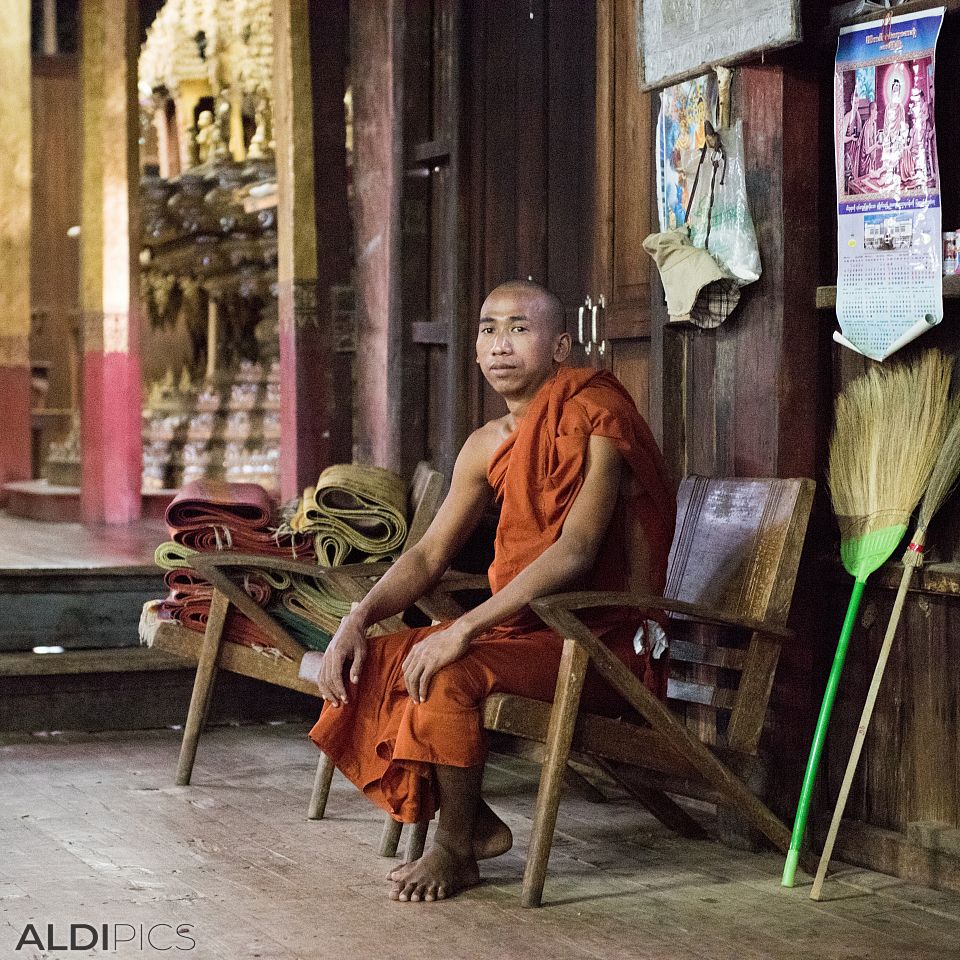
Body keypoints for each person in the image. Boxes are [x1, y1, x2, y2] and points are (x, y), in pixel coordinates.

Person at [308, 279, 676, 903]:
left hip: (592, 640)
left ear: (561, 346)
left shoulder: (598, 420)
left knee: (450, 672)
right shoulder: (485, 444)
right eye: (488, 328)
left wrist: (463, 628)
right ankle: (471, 823)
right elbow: (427, 553)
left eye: (519, 328)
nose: (500, 344)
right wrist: (358, 617)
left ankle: (455, 848)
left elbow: (576, 550)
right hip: (519, 632)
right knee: (386, 657)